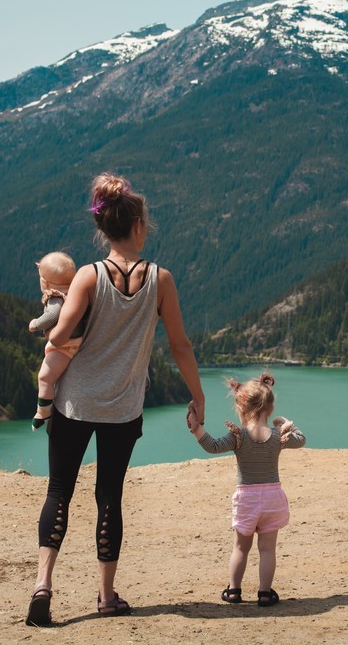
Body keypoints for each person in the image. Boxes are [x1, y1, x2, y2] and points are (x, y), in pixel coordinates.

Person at [26, 173, 206, 627]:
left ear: (104, 229)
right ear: (140, 225)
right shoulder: (161, 280)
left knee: (59, 491)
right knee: (110, 497)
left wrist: (54, 326)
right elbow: (180, 346)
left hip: (73, 405)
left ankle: (43, 585)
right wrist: (198, 394)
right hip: (123, 409)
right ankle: (106, 596)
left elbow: (62, 332)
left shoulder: (88, 276)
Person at [187, 373, 305, 607]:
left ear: (241, 408)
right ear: (269, 409)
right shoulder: (277, 436)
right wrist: (285, 422)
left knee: (241, 547)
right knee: (268, 549)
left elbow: (212, 446)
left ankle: (234, 591)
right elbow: (301, 440)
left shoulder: (238, 437)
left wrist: (196, 428)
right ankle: (264, 593)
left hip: (247, 499)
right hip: (273, 498)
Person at [28, 252, 84, 431]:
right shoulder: (78, 292)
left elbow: (52, 316)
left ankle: (42, 411)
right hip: (82, 341)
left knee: (44, 377)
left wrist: (35, 324)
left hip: (66, 347)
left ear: (44, 282)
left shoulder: (55, 297)